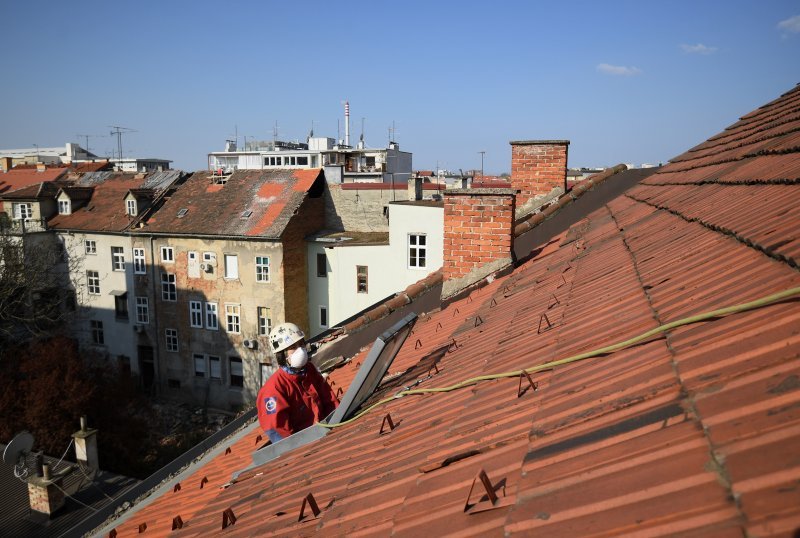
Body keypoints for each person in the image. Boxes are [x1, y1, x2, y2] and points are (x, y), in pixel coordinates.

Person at [257, 322, 338, 443]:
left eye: (301, 344)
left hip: (325, 435)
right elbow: (279, 433)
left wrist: (338, 422)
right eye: (293, 347)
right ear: (282, 355)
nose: (300, 350)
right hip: (303, 448)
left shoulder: (309, 370)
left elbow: (330, 402)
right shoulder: (273, 389)